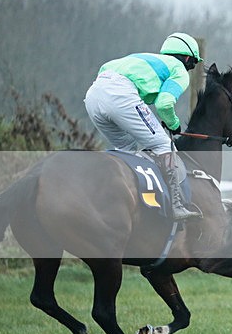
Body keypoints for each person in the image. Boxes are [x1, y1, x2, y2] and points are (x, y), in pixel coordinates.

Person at [84, 32, 202, 221]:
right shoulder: (178, 69)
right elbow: (164, 104)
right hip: (120, 95)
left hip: (93, 96)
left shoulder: (142, 58)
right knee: (164, 144)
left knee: (127, 148)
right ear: (187, 58)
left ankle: (117, 196)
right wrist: (174, 124)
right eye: (192, 64)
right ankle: (176, 206)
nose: (189, 69)